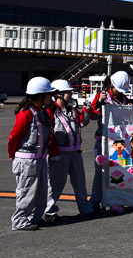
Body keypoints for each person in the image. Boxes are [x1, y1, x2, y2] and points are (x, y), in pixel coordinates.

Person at [8, 77, 59, 231]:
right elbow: (15, 136)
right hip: (27, 161)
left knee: (41, 192)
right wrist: (13, 155)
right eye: (49, 94)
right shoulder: (26, 114)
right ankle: (20, 221)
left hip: (40, 159)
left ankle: (36, 217)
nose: (51, 98)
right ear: (40, 96)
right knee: (27, 192)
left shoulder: (42, 112)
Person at [45, 79, 93, 221]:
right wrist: (53, 153)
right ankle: (49, 212)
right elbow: (49, 135)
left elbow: (82, 123)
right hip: (60, 154)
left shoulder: (71, 110)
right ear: (58, 94)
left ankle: (85, 210)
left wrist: (87, 110)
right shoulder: (50, 112)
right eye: (68, 93)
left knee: (80, 183)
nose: (71, 95)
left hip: (75, 152)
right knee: (56, 184)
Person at [87, 70, 130, 213]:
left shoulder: (123, 98)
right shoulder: (102, 96)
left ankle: (115, 201)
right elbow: (92, 115)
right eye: (118, 89)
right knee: (101, 173)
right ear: (111, 85)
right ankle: (95, 202)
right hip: (103, 141)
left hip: (119, 142)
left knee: (119, 171)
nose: (120, 92)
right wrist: (100, 102)